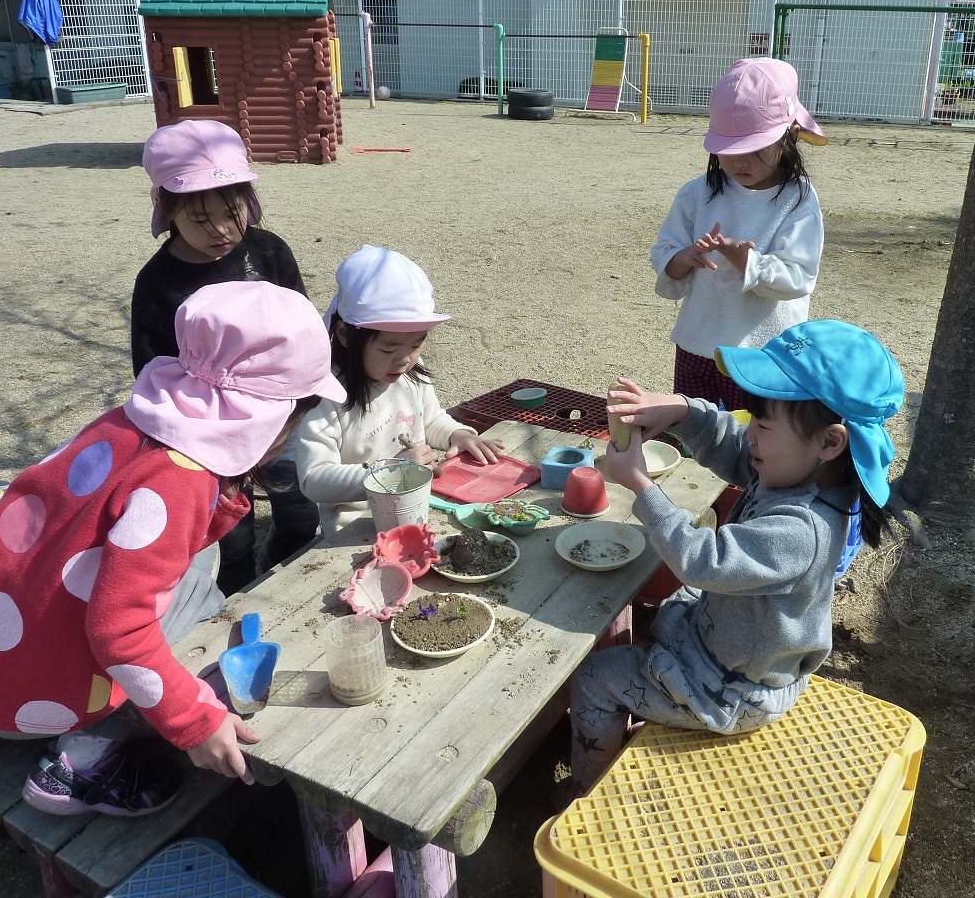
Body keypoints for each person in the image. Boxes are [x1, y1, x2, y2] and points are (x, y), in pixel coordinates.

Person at [0, 281, 347, 817]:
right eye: (294, 417)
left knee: (192, 567)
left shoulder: (137, 418)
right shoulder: (181, 483)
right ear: (267, 417)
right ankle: (83, 759)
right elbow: (117, 630)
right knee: (199, 603)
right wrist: (195, 721)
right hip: (17, 694)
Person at [568, 319, 903, 791]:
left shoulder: (801, 530)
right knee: (671, 608)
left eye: (762, 425)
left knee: (595, 678)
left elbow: (703, 559)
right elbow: (732, 443)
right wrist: (684, 412)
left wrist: (640, 485)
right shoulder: (805, 472)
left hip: (732, 690)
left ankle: (588, 793)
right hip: (734, 646)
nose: (750, 437)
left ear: (830, 441)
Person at [132, 119, 316, 594]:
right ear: (167, 210)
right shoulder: (158, 284)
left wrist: (292, 421)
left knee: (299, 511)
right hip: (208, 439)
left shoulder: (269, 253)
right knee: (228, 537)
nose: (220, 230)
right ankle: (235, 592)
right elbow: (152, 372)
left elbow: (304, 339)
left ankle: (282, 573)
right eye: (198, 218)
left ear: (248, 202)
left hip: (280, 422)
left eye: (232, 212)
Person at [650, 57, 827, 412]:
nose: (740, 163)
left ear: (789, 135)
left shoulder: (798, 200)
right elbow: (664, 249)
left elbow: (799, 276)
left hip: (764, 352)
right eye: (730, 151)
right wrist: (682, 258)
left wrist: (746, 261)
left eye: (755, 148)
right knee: (694, 432)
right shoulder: (698, 193)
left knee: (755, 442)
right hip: (698, 343)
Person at [295, 245, 502, 537]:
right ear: (344, 334)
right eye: (388, 347)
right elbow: (313, 479)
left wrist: (458, 434)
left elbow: (430, 420)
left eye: (416, 344)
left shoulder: (410, 376)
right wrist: (390, 473)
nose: (404, 359)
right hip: (356, 531)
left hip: (419, 512)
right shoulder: (326, 396)